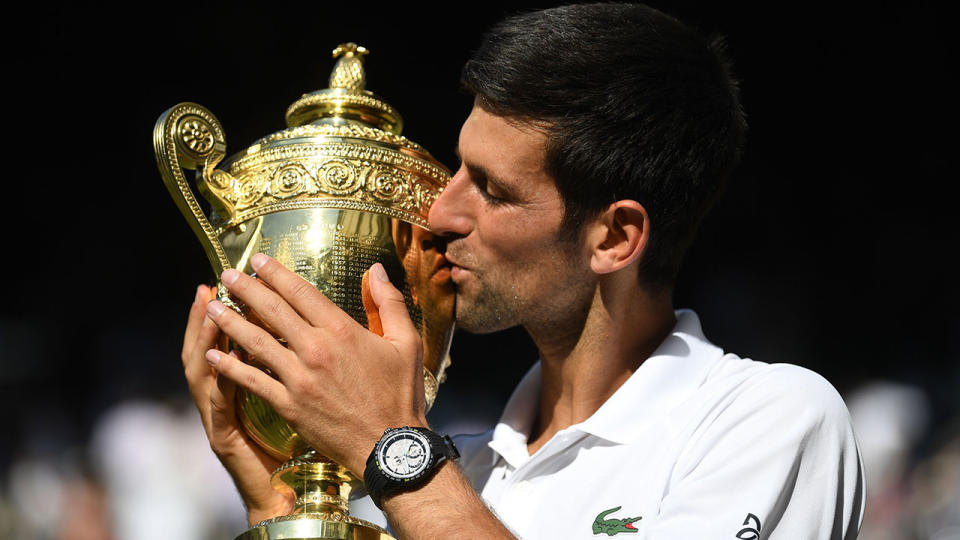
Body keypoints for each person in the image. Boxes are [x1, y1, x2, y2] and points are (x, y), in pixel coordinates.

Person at [181, 3, 864, 538]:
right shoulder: (447, 475)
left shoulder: (769, 422)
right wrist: (275, 504)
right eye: (457, 168)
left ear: (615, 238)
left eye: (492, 189)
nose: (440, 213)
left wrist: (392, 446)